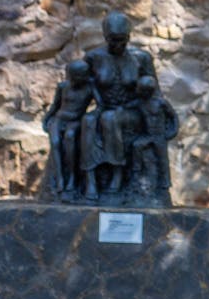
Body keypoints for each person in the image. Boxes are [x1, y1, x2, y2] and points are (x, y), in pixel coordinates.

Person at [80, 10, 157, 199]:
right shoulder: (93, 58)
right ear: (105, 37)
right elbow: (81, 89)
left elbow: (154, 92)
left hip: (132, 110)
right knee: (88, 121)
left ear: (129, 37)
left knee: (110, 119)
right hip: (103, 107)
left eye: (123, 40)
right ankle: (90, 178)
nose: (118, 45)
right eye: (113, 40)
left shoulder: (141, 58)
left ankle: (118, 172)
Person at [42, 59, 94, 193]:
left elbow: (101, 106)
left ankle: (71, 178)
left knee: (70, 139)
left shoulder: (90, 88)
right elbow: (55, 106)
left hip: (75, 121)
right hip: (59, 119)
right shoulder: (63, 87)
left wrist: (91, 117)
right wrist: (46, 120)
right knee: (55, 143)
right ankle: (59, 179)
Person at [131, 75, 179, 190]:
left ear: (147, 91)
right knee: (136, 146)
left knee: (162, 158)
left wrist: (173, 131)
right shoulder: (140, 103)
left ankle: (165, 182)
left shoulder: (161, 103)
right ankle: (135, 174)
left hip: (159, 135)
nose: (138, 91)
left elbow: (173, 117)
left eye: (140, 90)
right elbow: (127, 107)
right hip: (148, 135)